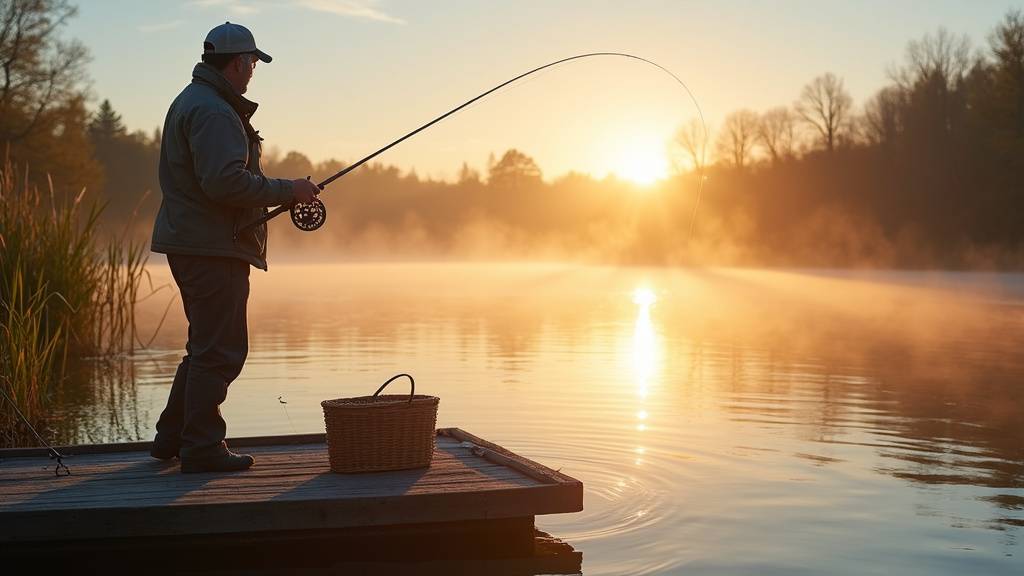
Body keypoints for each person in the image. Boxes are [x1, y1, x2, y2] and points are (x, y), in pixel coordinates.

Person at [149, 22, 319, 473]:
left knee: (205, 346)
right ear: (238, 62)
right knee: (222, 350)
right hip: (211, 247)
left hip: (197, 242)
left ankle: (172, 437)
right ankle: (202, 447)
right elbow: (224, 182)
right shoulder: (214, 111)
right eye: (251, 64)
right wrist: (289, 189)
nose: (252, 73)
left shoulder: (194, 101)